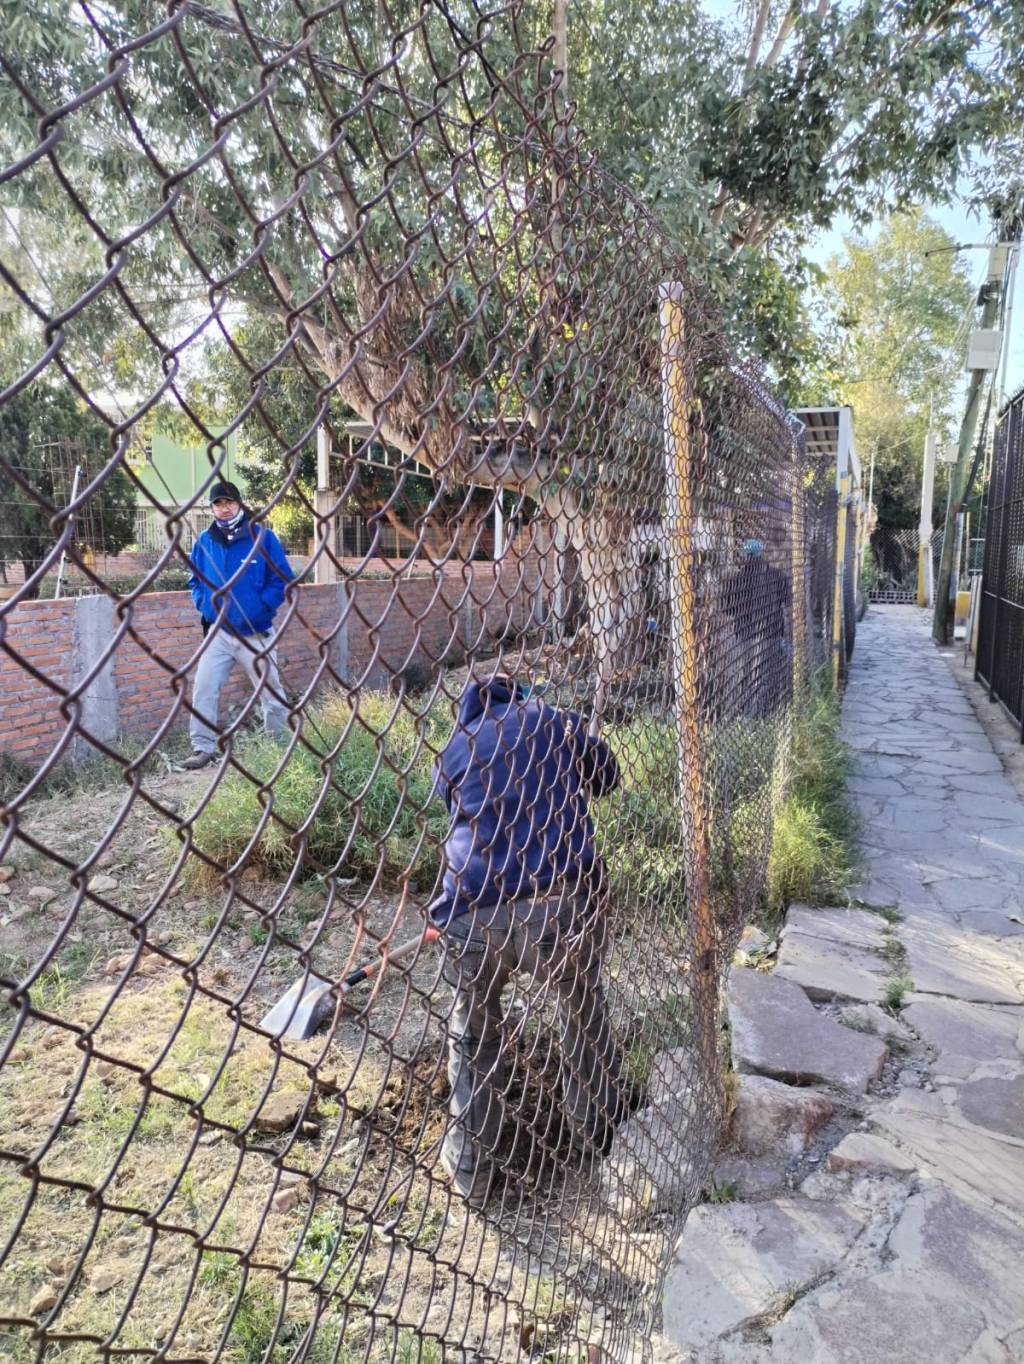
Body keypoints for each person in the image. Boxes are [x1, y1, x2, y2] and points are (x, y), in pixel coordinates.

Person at [430, 674, 625, 1207]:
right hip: (559, 904)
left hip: (471, 912)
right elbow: (607, 777)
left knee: (473, 1028)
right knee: (580, 1002)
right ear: (518, 697)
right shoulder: (552, 719)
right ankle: (595, 1131)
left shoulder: (454, 747)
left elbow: (455, 808)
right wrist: (577, 759)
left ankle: (471, 1171)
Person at [182, 481, 294, 770]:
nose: (224, 508)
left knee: (271, 692)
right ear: (212, 508)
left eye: (229, 502)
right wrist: (205, 605)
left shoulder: (262, 537)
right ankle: (203, 747)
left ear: (240, 503)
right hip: (218, 633)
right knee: (204, 688)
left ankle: (279, 746)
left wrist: (260, 608)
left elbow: (282, 579)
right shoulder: (205, 541)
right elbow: (195, 580)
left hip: (255, 633)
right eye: (218, 503)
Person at [722, 538, 791, 716]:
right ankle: (761, 713)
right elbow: (788, 600)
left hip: (745, 635)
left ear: (745, 555)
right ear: (761, 554)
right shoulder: (777, 575)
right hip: (771, 633)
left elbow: (727, 608)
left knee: (745, 676)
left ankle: (745, 713)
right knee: (766, 676)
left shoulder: (738, 579)